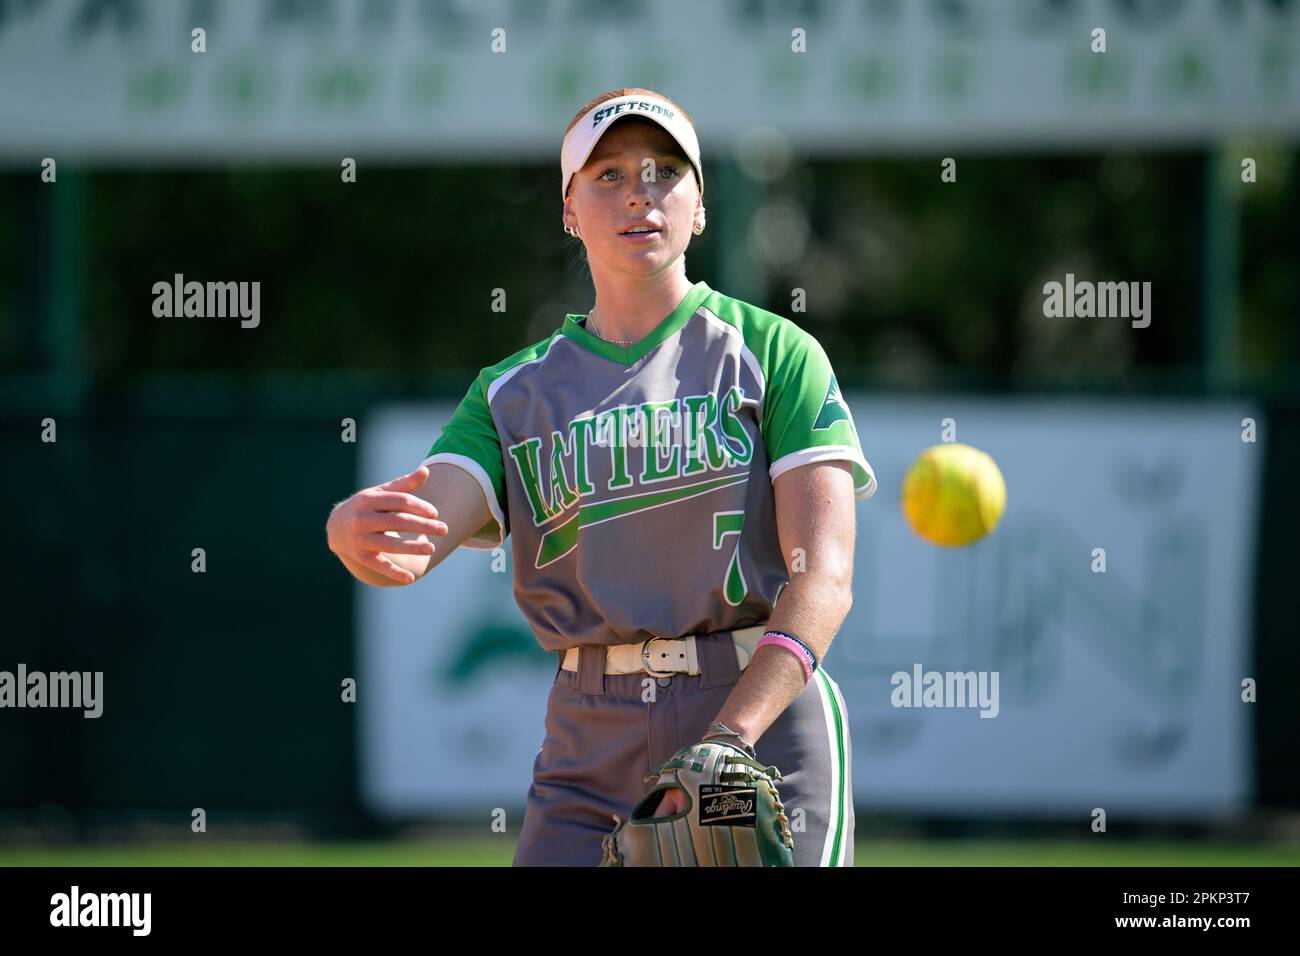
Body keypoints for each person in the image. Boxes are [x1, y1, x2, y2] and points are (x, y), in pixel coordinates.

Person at [326, 87, 876, 866]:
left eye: (663, 170)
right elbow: (421, 525)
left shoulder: (775, 352)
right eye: (608, 174)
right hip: (590, 738)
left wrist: (729, 740)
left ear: (699, 205)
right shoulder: (513, 393)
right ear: (568, 211)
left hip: (757, 718)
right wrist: (360, 532)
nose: (639, 193)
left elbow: (824, 578)